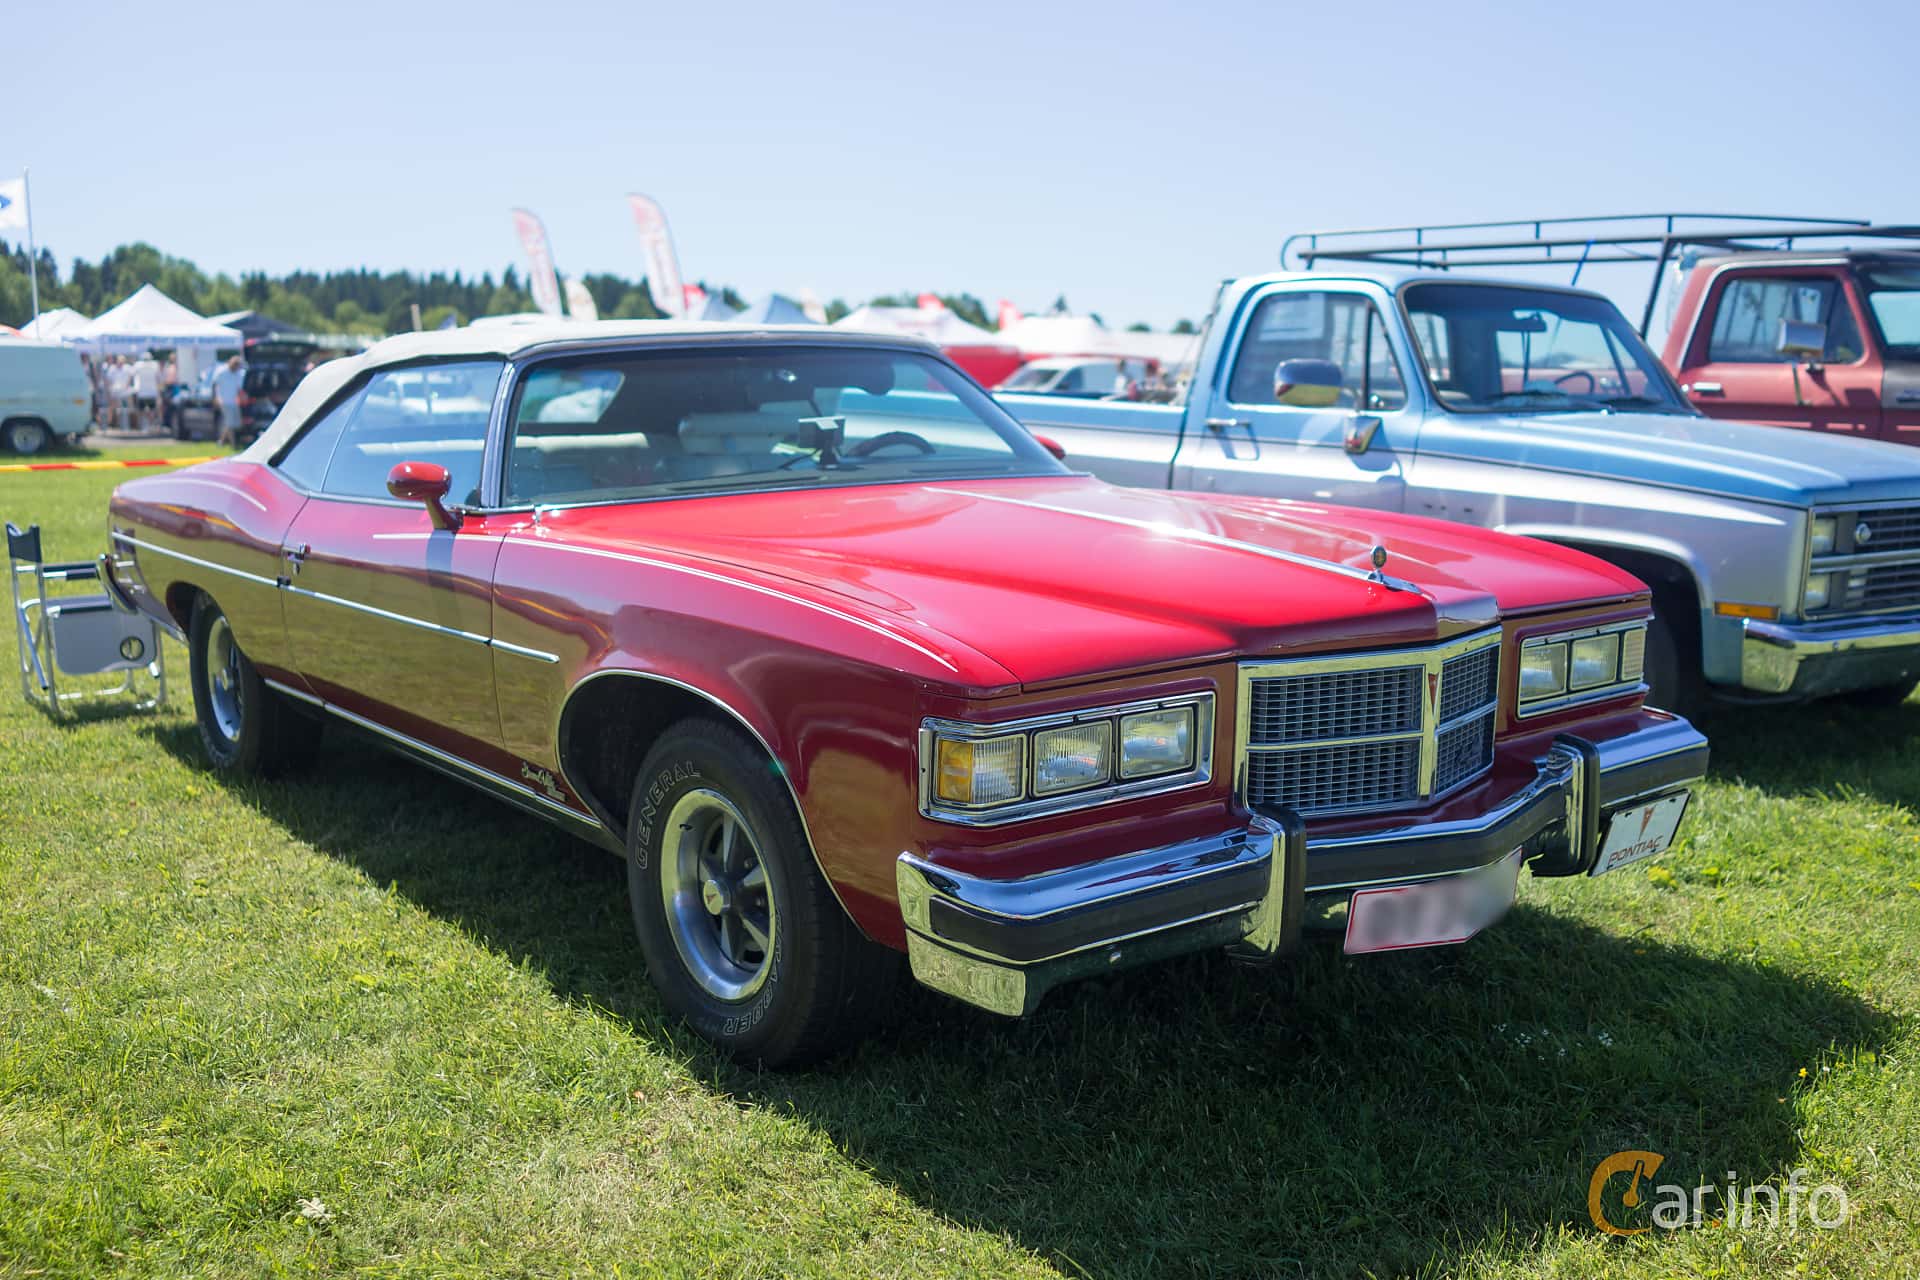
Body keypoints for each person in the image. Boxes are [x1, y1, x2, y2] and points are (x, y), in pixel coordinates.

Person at [210, 355, 246, 446]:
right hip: (224, 401)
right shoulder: (221, 371)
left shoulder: (238, 374)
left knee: (234, 424)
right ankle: (233, 444)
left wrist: (242, 397)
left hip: (234, 401)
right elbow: (215, 385)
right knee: (230, 423)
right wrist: (215, 398)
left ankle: (221, 441)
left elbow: (239, 388)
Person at [131, 353, 161, 432]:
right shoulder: (155, 365)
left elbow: (132, 374)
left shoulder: (138, 365)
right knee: (150, 410)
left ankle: (146, 425)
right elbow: (158, 378)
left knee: (143, 411)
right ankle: (149, 425)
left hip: (144, 392)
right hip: (150, 391)